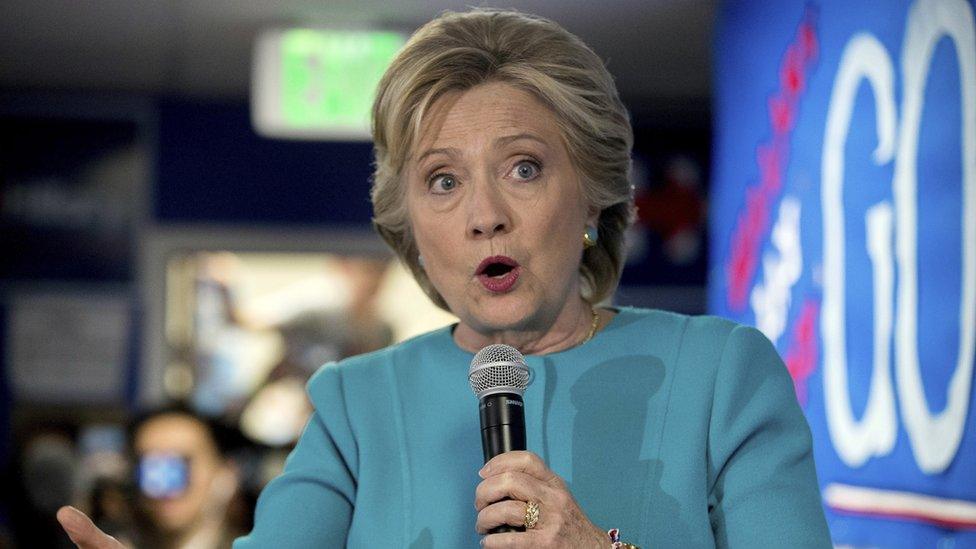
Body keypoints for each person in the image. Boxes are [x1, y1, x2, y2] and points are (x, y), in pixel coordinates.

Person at [58, 8, 832, 548]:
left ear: (596, 193)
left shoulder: (725, 376)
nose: (484, 215)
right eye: (442, 181)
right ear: (412, 232)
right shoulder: (356, 404)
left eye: (523, 168)